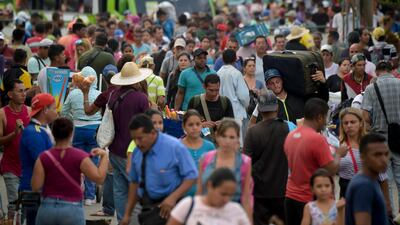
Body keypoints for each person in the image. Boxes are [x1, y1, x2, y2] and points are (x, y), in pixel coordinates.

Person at [121, 114, 198, 225]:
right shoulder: (137, 153)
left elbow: (192, 176)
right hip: (148, 210)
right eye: (134, 139)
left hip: (173, 209)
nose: (137, 143)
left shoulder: (174, 147)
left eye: (140, 138)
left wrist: (172, 198)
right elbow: (134, 183)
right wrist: (127, 215)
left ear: (152, 133)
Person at [32, 117, 108, 225]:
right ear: (72, 134)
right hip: (72, 209)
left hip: (48, 208)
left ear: (53, 133)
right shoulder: (80, 156)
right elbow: (99, 178)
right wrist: (104, 156)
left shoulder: (44, 157)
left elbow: (35, 186)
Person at [284, 98, 347, 225]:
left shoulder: (291, 135)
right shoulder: (317, 139)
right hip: (310, 200)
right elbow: (330, 170)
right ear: (319, 117)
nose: (325, 122)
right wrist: (339, 154)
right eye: (325, 118)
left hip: (290, 196)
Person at [244, 89, 295, 224]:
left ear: (260, 109)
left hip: (260, 193)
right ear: (277, 107)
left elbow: (245, 164)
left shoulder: (252, 132)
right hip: (284, 190)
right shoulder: (289, 127)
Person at [361, 61, 400, 212]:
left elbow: (365, 115)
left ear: (377, 72)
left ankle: (390, 214)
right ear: (392, 71)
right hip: (399, 137)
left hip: (380, 138)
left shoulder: (371, 88)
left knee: (386, 179)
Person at [61, 66, 102, 205]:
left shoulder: (73, 94)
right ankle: (90, 197)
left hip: (77, 129)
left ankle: (76, 193)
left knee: (76, 161)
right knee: (92, 162)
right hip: (95, 130)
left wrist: (71, 119)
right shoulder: (99, 94)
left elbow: (64, 112)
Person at [197, 119, 253, 220]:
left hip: (233, 217)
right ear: (217, 136)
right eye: (224, 136)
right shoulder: (205, 159)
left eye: (231, 137)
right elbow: (199, 192)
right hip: (207, 215)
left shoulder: (245, 162)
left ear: (237, 139)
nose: (227, 141)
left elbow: (246, 198)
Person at [19, 93, 58, 224]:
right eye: (53, 108)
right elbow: (42, 160)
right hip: (34, 190)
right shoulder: (34, 132)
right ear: (45, 110)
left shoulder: (40, 129)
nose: (56, 111)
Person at [167, 168, 251, 225]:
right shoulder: (188, 205)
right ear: (209, 186)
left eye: (230, 195)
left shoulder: (236, 210)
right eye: (223, 194)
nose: (226, 199)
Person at [0, 80, 30, 218]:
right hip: (10, 167)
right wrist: (14, 134)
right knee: (14, 203)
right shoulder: (2, 113)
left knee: (28, 204)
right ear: (10, 94)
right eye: (20, 91)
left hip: (27, 167)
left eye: (25, 90)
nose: (24, 94)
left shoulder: (30, 111)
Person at [345, 133, 389, 225]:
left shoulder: (369, 180)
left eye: (386, 154)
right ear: (362, 157)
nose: (384, 159)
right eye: (377, 155)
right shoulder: (363, 186)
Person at [187, 74, 234, 139]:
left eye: (217, 90)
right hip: (199, 140)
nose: (214, 93)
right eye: (211, 90)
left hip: (220, 141)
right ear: (204, 87)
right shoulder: (195, 101)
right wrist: (201, 125)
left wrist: (224, 124)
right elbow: (187, 123)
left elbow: (232, 123)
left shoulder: (225, 101)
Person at [218, 49, 250, 141]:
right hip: (237, 112)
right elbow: (244, 96)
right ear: (235, 59)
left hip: (222, 113)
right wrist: (246, 105)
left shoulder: (218, 73)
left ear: (223, 60)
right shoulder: (236, 73)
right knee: (238, 142)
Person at [181, 110, 215, 196]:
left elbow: (214, 172)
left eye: (198, 124)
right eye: (190, 125)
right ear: (184, 127)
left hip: (205, 197)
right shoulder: (177, 147)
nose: (195, 127)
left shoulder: (210, 146)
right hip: (181, 197)